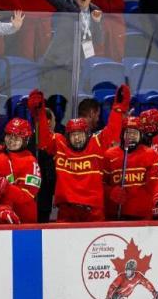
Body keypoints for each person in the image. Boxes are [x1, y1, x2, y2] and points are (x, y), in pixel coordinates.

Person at [29, 86, 128, 222]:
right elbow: (43, 140)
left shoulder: (96, 142)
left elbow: (112, 131)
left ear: (87, 134)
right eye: (73, 135)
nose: (76, 138)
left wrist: (118, 109)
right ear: (67, 135)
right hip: (66, 211)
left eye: (80, 134)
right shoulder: (60, 143)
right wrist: (39, 113)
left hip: (93, 212)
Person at [38, 0, 104, 96]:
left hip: (74, 67)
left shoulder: (95, 10)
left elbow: (98, 40)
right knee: (48, 101)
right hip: (54, 63)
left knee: (68, 104)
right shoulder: (66, 3)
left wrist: (97, 23)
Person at [105, 117, 158, 220]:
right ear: (122, 134)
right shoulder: (109, 155)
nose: (131, 136)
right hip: (115, 215)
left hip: (143, 215)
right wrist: (109, 191)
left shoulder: (150, 154)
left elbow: (156, 180)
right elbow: (100, 182)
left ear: (140, 135)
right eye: (128, 133)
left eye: (135, 133)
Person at [2, 118, 42, 223]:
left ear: (25, 140)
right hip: (1, 216)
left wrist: (3, 186)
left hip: (24, 219)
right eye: (9, 136)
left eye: (17, 138)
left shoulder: (30, 161)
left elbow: (27, 195)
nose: (11, 141)